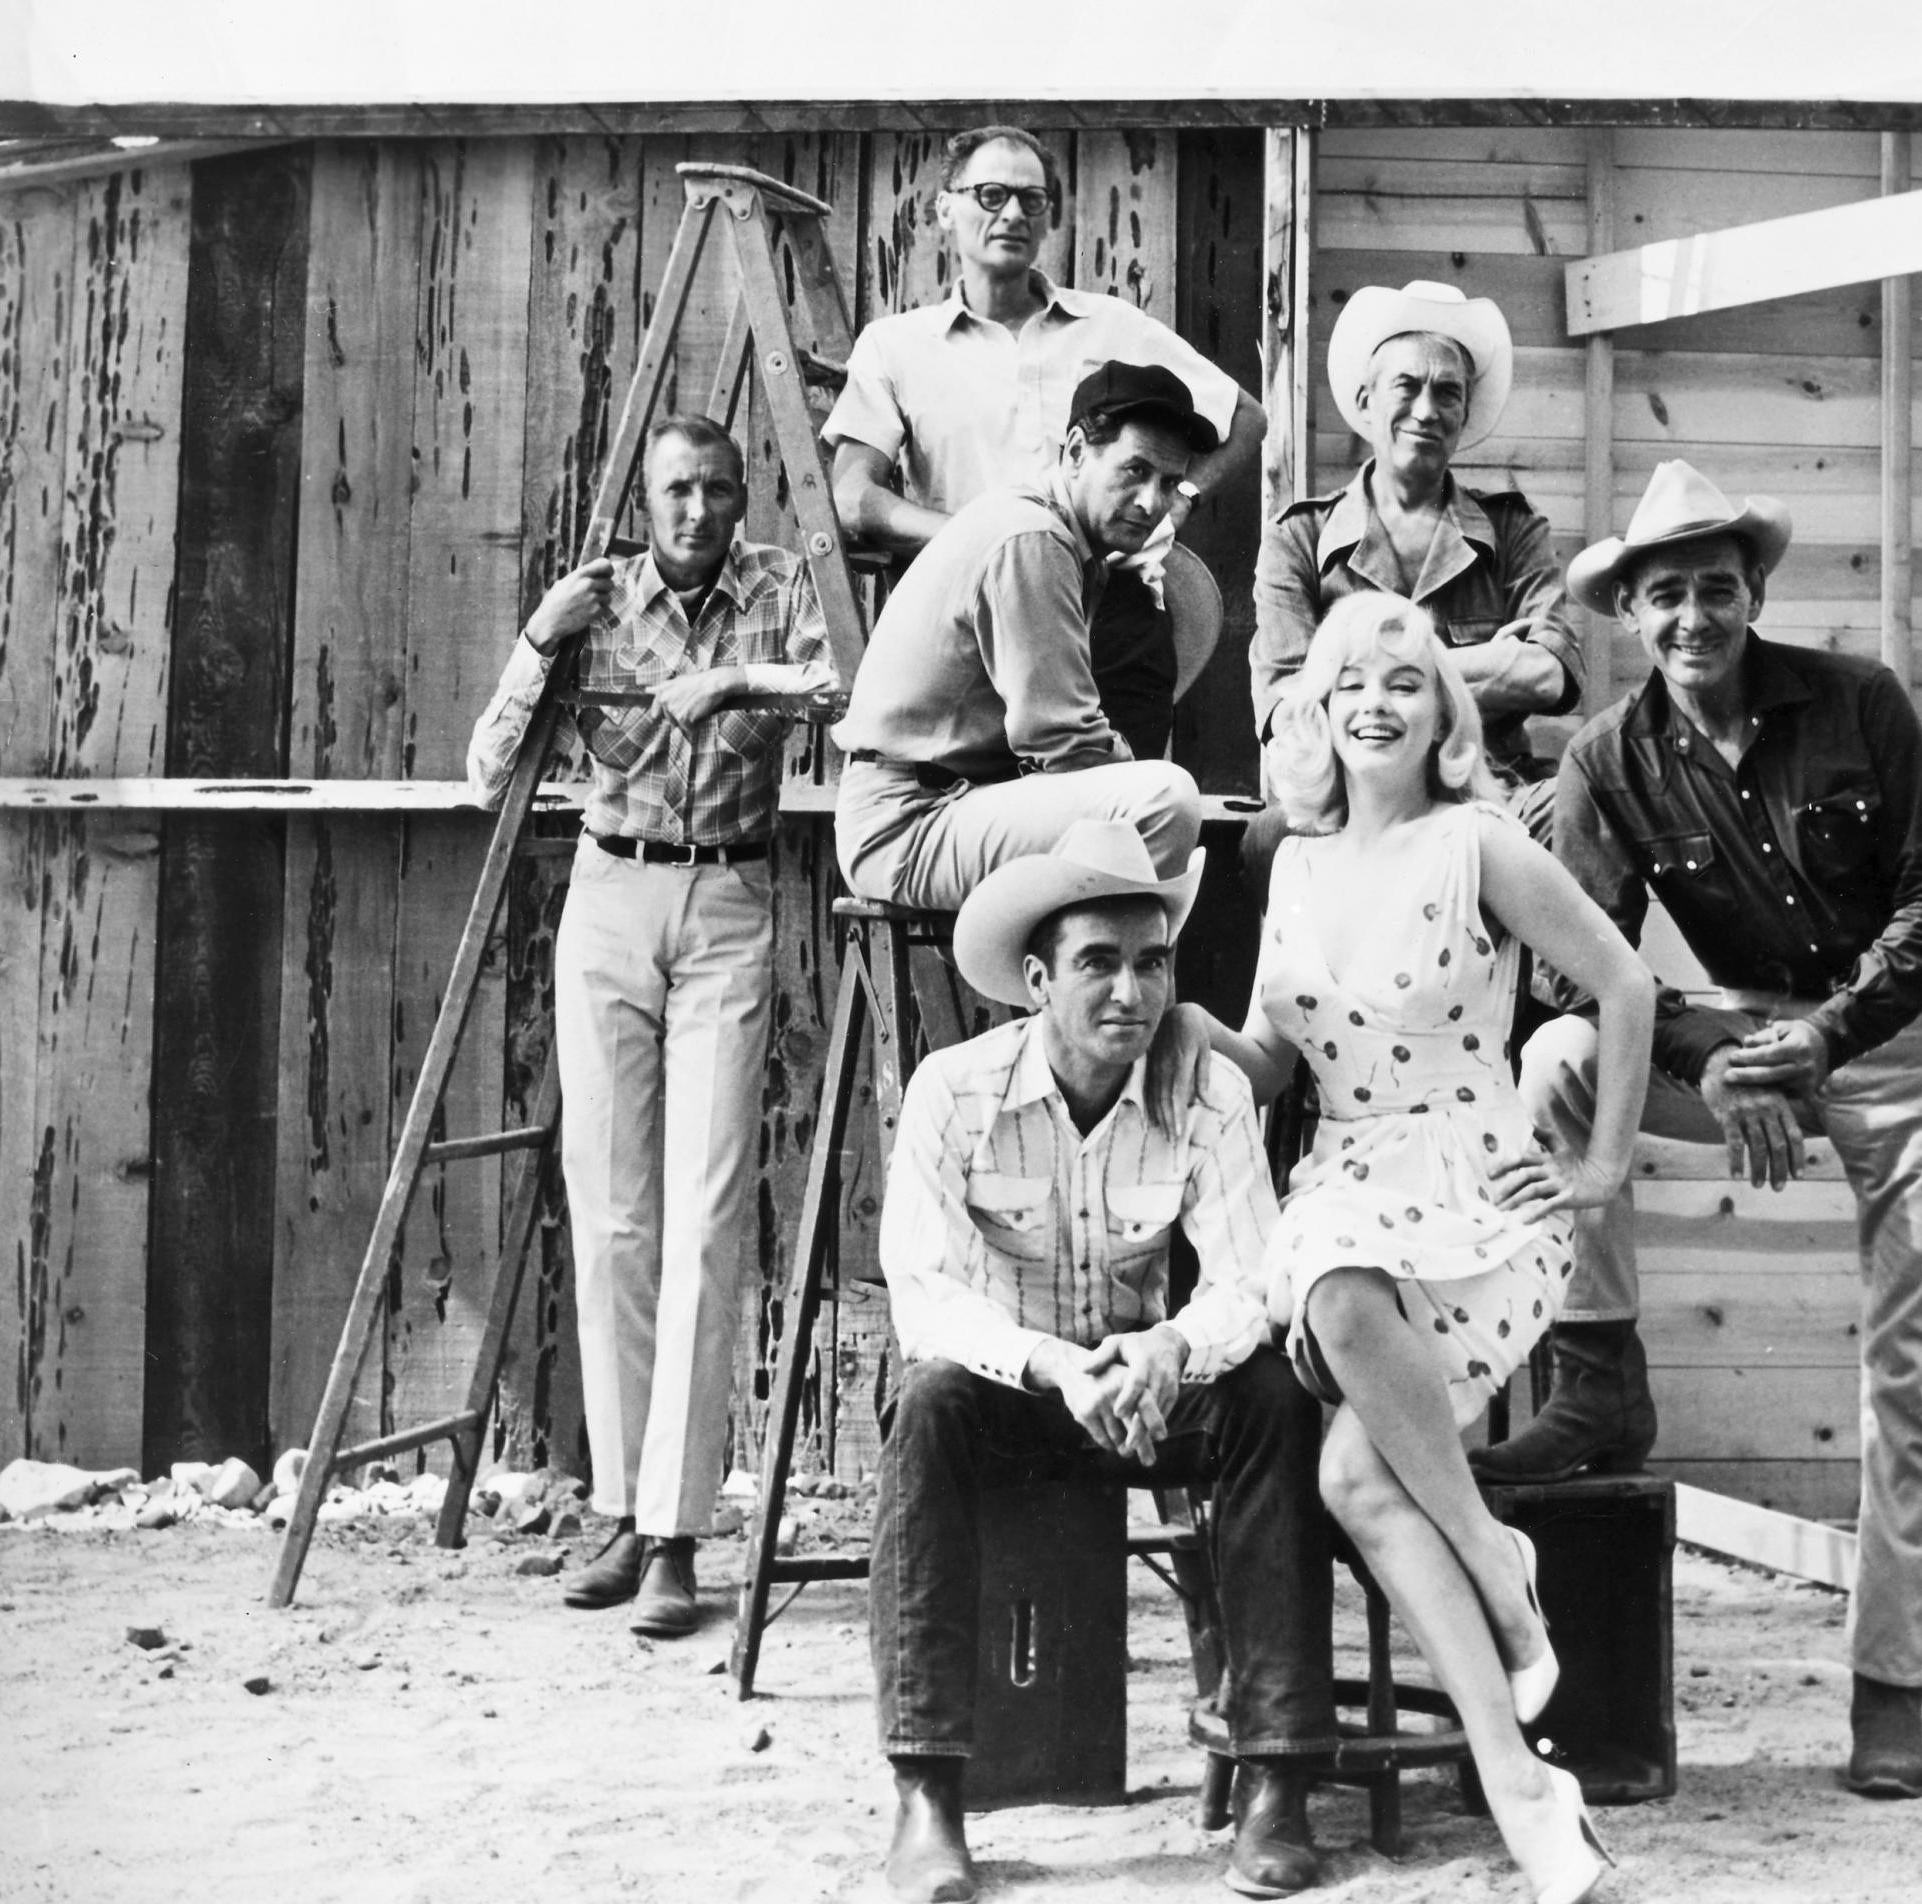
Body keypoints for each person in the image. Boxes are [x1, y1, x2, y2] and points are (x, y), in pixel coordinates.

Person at [1488, 458, 1922, 1801]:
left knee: (1916, 1373)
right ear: (1629, 615)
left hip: (1911, 1045)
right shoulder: (1606, 758)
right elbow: (1574, 967)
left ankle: (1888, 1694)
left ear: (1753, 593)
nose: (1692, 620)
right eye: (1664, 597)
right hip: (1751, 1040)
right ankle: (1599, 1372)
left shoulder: (1859, 703)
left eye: (1716, 590)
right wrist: (1716, 1065)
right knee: (1554, 1059)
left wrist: (1822, 1041)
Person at [1184, 594, 1657, 1904]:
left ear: (1444, 713)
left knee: (1329, 1281)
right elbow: (1273, 1060)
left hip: (1473, 1200)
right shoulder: (1297, 867)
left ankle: (1507, 1578)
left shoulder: (1478, 844)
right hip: (1346, 1178)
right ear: (1318, 718)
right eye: (1350, 687)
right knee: (1358, 1482)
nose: (1378, 703)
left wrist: (1597, 1174)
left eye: (1406, 681)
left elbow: (1626, 987)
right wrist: (1176, 1022)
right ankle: (1521, 1784)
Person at [869, 819, 1337, 1904]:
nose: (1129, 990)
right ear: (1036, 978)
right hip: (1017, 1394)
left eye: (1150, 960)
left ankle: (1276, 1781)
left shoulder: (1205, 1090)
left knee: (1270, 1396)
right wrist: (1053, 1368)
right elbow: (924, 1292)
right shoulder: (956, 1089)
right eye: (1096, 961)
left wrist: (1170, 1347)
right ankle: (928, 1793)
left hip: (1142, 1390)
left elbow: (1248, 1280)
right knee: (927, 1402)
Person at [466, 414, 838, 1637]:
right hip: (609, 890)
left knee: (708, 1207)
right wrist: (537, 639)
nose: (696, 511)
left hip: (728, 891)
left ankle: (680, 1532)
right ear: (646, 494)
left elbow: (851, 687)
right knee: (614, 1209)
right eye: (676, 490)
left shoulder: (779, 583)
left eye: (718, 490)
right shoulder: (595, 595)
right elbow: (487, 770)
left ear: (740, 499)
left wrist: (738, 678)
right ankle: (624, 1512)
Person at [826, 123, 1266, 759]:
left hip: (1110, 610)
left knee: (1120, 821)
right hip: (968, 620)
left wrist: (1182, 497)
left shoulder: (1110, 325)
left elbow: (1245, 416)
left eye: (1031, 200)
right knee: (991, 830)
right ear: (944, 206)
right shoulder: (895, 346)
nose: (1012, 213)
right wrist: (975, 535)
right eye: (990, 194)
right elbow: (853, 495)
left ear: (1049, 217)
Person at [830, 361, 1212, 913]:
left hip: (950, 800)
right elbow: (1060, 739)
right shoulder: (1033, 537)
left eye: (1169, 483)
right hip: (904, 824)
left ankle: (1100, 979)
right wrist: (1132, 771)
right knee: (1163, 800)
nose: (1152, 503)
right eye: (1135, 471)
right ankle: (1097, 986)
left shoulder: (1066, 540)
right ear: (1077, 451)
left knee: (1144, 810)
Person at [1248, 280, 1581, 868]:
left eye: (1447, 392)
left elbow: (1550, 676)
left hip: (1494, 785)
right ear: (1367, 398)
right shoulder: (1297, 538)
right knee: (1270, 840)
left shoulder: (1513, 531)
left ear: (1464, 412)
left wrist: (1362, 676)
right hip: (1350, 797)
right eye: (1407, 386)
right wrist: (1483, 667)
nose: (1426, 410)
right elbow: (1287, 709)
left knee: (1574, 806)